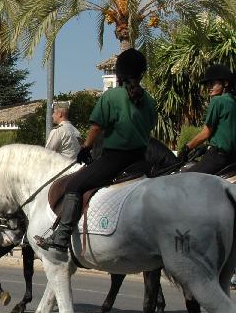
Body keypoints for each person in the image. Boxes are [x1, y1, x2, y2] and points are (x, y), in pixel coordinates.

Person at [35, 48, 157, 252]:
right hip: (142, 160)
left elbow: (96, 127)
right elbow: (150, 126)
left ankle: (62, 237)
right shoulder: (150, 101)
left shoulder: (111, 96)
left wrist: (86, 147)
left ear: (119, 73)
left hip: (115, 160)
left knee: (74, 185)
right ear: (141, 73)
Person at [181, 64, 236, 173]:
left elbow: (206, 133)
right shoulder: (233, 101)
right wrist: (206, 147)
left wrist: (187, 147)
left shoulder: (217, 101)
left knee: (186, 177)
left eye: (212, 83)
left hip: (218, 157)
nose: (209, 87)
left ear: (225, 83)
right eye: (207, 84)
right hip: (233, 157)